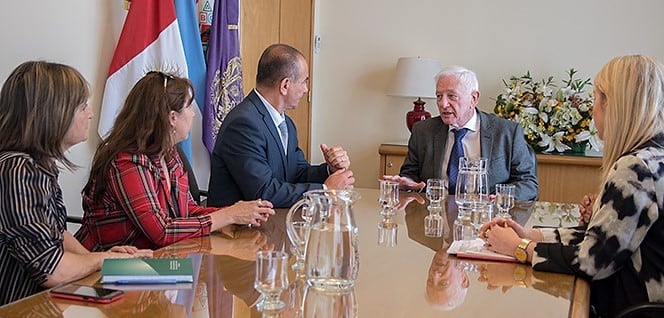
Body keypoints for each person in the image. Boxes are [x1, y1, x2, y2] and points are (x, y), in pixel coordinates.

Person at [480, 55, 664, 316]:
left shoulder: (636, 169)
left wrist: (518, 248)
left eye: (596, 99)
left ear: (615, 105)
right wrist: (530, 234)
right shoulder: (654, 157)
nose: (593, 110)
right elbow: (604, 240)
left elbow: (592, 261)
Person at [0, 61, 153, 306]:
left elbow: (56, 233)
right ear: (52, 112)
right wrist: (102, 261)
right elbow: (51, 269)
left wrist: (95, 257)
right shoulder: (17, 170)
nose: (90, 113)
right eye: (82, 106)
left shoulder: (39, 166)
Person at [75, 72, 275, 251]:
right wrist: (229, 216)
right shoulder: (127, 162)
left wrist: (239, 213)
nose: (193, 113)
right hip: (105, 271)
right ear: (172, 117)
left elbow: (186, 210)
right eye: (188, 107)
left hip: (151, 260)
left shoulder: (169, 154)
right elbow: (161, 232)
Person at [207, 44, 355, 208]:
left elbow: (296, 173)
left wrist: (329, 170)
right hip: (237, 230)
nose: (306, 89)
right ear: (285, 85)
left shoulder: (286, 123)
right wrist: (325, 190)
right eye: (304, 81)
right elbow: (263, 192)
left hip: (273, 223)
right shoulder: (243, 124)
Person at [382, 65, 538, 201]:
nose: (443, 104)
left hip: (487, 218)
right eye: (438, 96)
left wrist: (501, 197)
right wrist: (407, 183)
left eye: (452, 96)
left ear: (473, 98)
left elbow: (528, 183)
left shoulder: (507, 132)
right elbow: (410, 175)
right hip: (435, 219)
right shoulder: (423, 131)